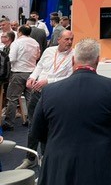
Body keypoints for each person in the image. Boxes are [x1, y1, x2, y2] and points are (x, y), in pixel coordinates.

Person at [31, 38, 111, 185]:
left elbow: (37, 131)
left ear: (72, 61)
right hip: (99, 166)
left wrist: (58, 141)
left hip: (59, 166)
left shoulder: (49, 91)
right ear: (97, 61)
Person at [18, 30, 74, 170]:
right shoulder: (49, 51)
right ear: (59, 39)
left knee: (49, 127)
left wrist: (48, 81)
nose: (69, 42)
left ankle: (45, 159)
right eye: (67, 39)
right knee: (33, 125)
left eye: (71, 39)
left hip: (57, 95)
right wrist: (32, 77)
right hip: (38, 93)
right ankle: (30, 158)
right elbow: (39, 67)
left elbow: (70, 78)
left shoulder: (74, 55)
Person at [3, 25, 40, 131]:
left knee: (12, 98)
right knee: (30, 98)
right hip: (32, 73)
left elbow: (12, 58)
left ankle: (9, 123)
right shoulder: (35, 42)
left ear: (19, 32)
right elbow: (37, 56)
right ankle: (31, 120)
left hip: (18, 73)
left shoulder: (16, 43)